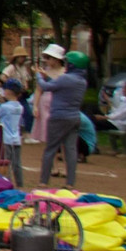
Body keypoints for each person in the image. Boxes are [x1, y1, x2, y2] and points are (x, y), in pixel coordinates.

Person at [37, 44, 87, 187]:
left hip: (59, 117)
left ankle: (43, 182)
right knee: (71, 150)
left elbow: (47, 87)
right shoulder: (82, 81)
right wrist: (47, 78)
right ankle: (70, 183)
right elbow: (58, 85)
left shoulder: (66, 78)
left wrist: (39, 77)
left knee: (50, 149)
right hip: (74, 118)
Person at [0, 78, 25, 187]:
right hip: (16, 138)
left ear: (8, 91)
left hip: (5, 138)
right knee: (17, 163)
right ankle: (20, 183)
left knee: (5, 162)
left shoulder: (4, 107)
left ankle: (7, 183)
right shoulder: (20, 107)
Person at [1, 47, 35, 132]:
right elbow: (3, 76)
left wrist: (25, 86)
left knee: (27, 113)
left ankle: (28, 133)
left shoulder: (23, 68)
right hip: (14, 94)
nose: (23, 58)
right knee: (12, 114)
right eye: (21, 56)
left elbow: (26, 79)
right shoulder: (11, 67)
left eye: (24, 57)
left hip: (22, 94)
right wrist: (12, 86)